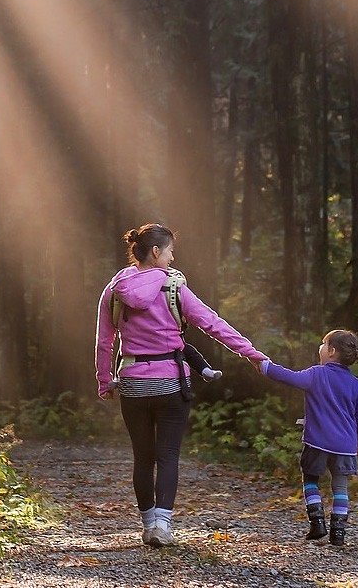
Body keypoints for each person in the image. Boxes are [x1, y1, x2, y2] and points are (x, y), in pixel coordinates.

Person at [94, 223, 268, 547]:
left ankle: (147, 526)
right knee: (168, 455)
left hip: (132, 383)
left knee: (142, 457)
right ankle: (163, 525)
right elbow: (213, 324)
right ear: (156, 252)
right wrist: (252, 354)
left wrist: (105, 380)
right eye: (171, 251)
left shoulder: (114, 289)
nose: (173, 259)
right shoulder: (174, 288)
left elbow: (105, 341)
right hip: (172, 383)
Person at [253, 329, 358, 546]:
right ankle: (338, 533)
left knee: (310, 479)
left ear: (332, 351)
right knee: (340, 487)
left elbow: (288, 376)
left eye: (323, 343)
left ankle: (317, 522)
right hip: (345, 446)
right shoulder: (356, 384)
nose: (320, 347)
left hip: (317, 442)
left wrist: (264, 366)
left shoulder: (316, 374)